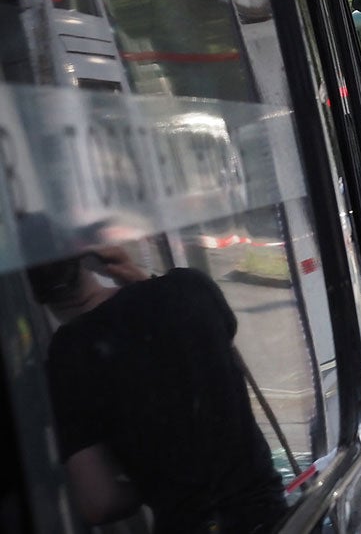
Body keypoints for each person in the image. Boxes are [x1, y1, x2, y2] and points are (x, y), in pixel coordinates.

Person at [25, 216, 288, 533]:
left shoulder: (67, 356)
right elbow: (219, 357)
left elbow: (100, 501)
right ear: (86, 255)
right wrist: (140, 280)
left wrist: (156, 484)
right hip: (270, 516)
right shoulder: (190, 288)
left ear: (32, 291)